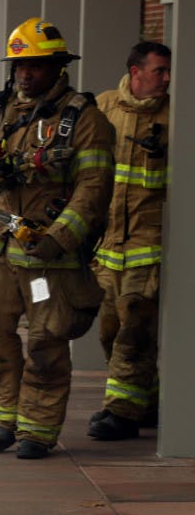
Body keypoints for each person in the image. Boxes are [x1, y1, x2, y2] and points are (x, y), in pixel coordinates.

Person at [0, 17, 114, 460]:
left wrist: (59, 237)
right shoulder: (0, 114)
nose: (25, 74)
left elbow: (94, 188)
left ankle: (38, 431)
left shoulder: (85, 121)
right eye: (19, 66)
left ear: (57, 67)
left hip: (50, 257)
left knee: (47, 343)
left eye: (35, 66)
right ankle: (7, 418)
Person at [88, 41, 171, 441]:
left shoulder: (176, 115)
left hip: (148, 249)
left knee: (133, 329)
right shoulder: (104, 108)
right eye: (159, 71)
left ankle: (121, 413)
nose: (167, 79)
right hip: (107, 249)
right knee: (107, 332)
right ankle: (147, 402)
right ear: (135, 73)